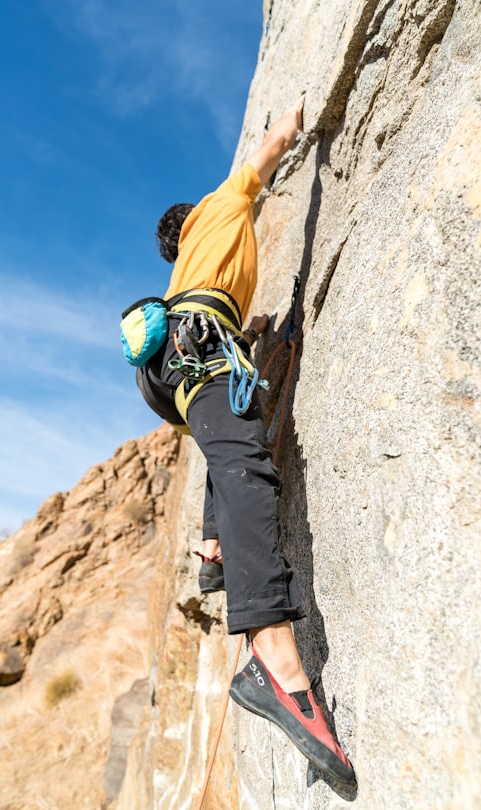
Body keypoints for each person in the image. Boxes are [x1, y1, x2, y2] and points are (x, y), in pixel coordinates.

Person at [135, 97, 356, 785]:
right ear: (194, 216)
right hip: (198, 349)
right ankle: (275, 664)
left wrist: (248, 330)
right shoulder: (220, 208)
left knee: (232, 438)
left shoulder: (193, 264)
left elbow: (215, 303)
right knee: (247, 467)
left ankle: (213, 547)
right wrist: (292, 121)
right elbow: (264, 154)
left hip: (185, 357)